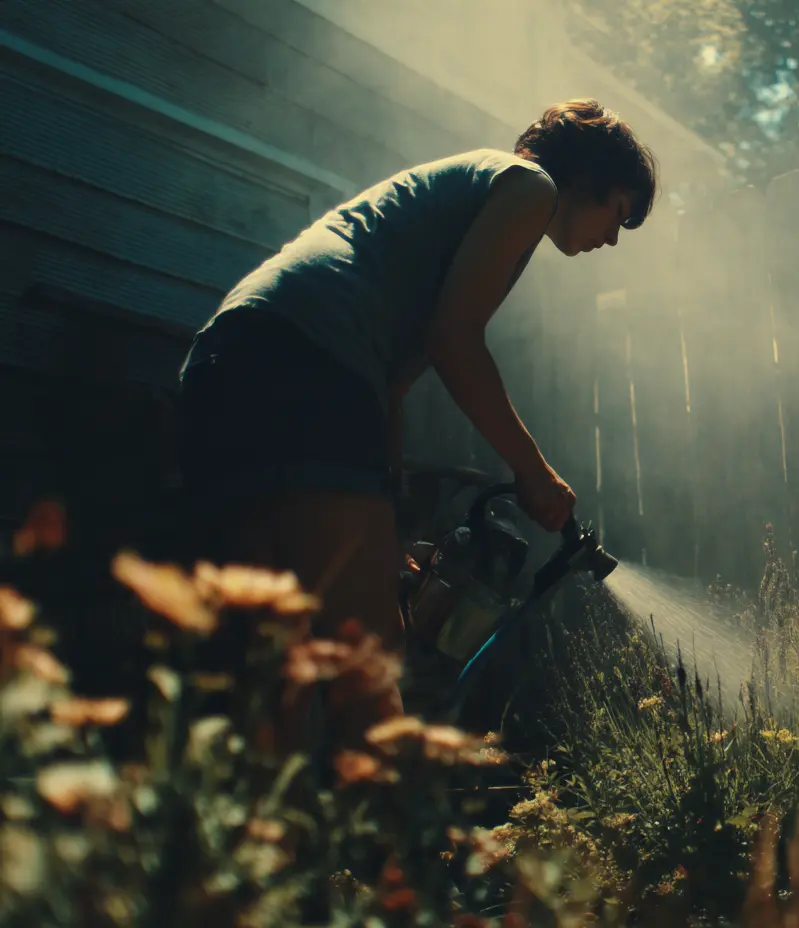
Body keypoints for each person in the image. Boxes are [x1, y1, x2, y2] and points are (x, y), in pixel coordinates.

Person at [175, 99, 658, 751]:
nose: (611, 239)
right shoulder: (529, 186)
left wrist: (389, 519)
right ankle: (391, 849)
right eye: (619, 214)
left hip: (225, 363)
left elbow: (397, 381)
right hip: (307, 364)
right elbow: (456, 341)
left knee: (269, 656)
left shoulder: (464, 195)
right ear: (586, 179)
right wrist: (535, 474)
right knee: (370, 653)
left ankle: (259, 846)